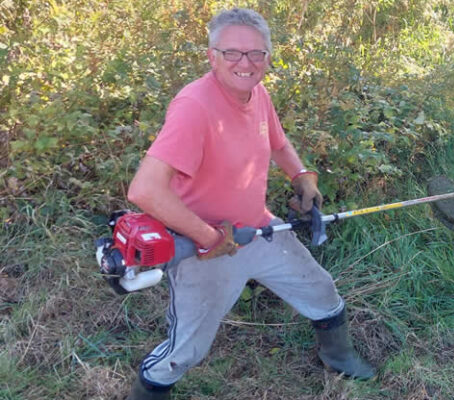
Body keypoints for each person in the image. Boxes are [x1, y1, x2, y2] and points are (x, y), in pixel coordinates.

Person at [125, 8, 374, 400]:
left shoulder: (257, 93)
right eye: (233, 53)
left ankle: (338, 358)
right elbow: (144, 190)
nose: (246, 63)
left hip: (258, 230)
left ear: (267, 57)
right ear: (212, 56)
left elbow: (276, 142)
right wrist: (209, 237)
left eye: (256, 54)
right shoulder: (195, 107)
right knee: (184, 351)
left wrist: (301, 174)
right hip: (204, 249)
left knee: (323, 293)